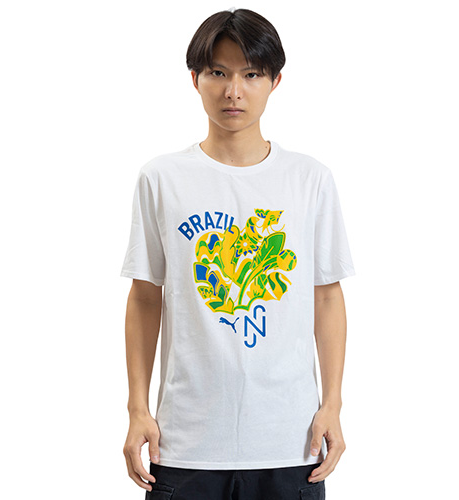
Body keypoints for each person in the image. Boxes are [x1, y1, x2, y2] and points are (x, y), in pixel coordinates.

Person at [120, 7, 355, 499]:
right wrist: (137, 409)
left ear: (274, 81)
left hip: (291, 443)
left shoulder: (309, 179)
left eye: (251, 74)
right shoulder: (161, 178)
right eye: (218, 73)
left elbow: (327, 297)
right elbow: (144, 296)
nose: (233, 91)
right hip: (184, 445)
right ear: (195, 79)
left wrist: (332, 404)